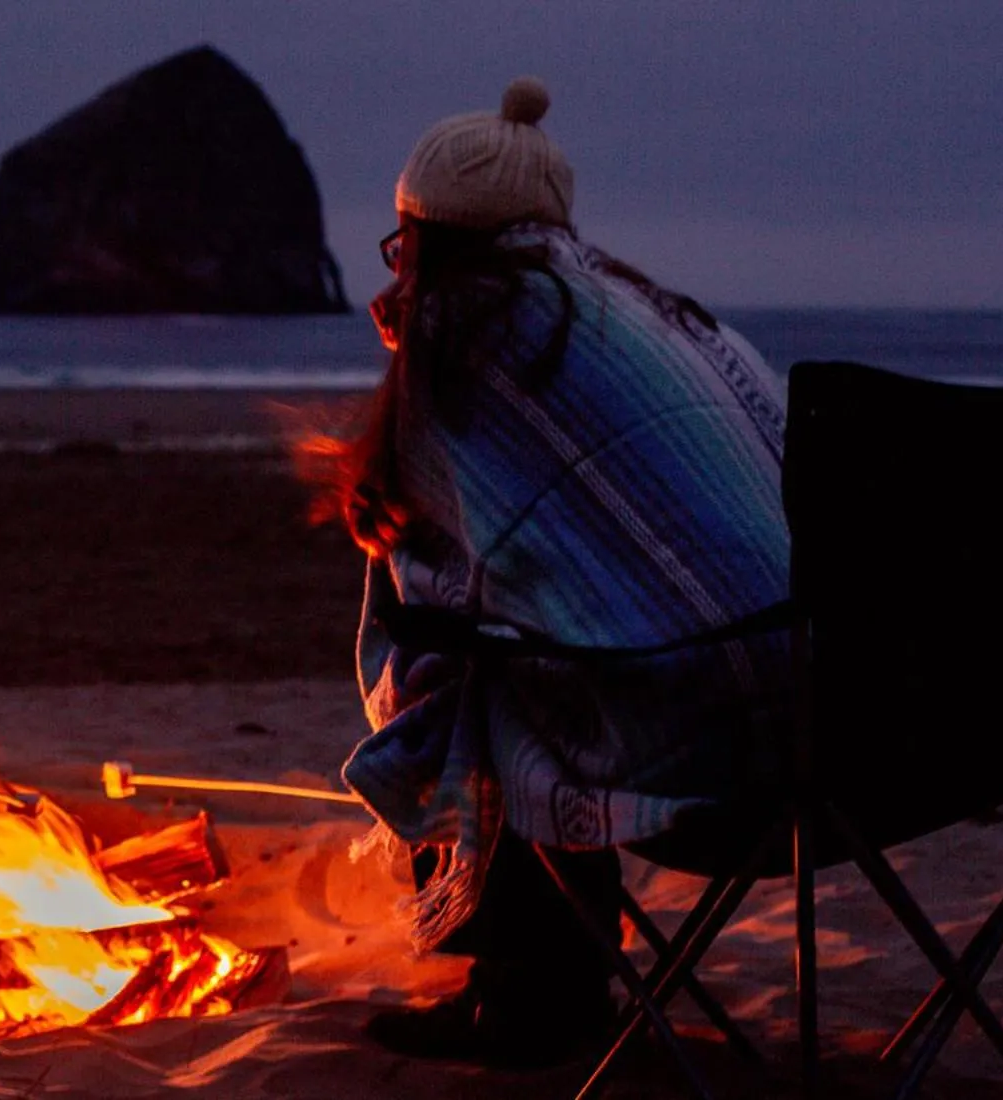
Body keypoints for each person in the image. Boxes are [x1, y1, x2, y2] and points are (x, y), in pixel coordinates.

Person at [305, 78, 796, 1067]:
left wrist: (412, 345)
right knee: (526, 635)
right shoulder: (651, 311)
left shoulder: (474, 332)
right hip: (838, 722)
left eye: (404, 244)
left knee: (468, 668)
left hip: (705, 748)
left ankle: (535, 996)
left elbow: (407, 532)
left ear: (426, 237)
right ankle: (545, 981)